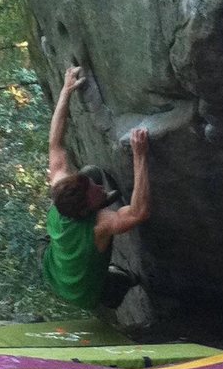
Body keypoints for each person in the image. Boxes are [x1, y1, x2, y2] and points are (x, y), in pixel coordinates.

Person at [42, 66, 150, 310]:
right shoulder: (100, 225)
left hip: (55, 272)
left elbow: (55, 144)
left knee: (90, 171)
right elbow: (139, 212)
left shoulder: (61, 190)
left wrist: (66, 90)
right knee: (121, 282)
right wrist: (139, 156)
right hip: (84, 292)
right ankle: (117, 287)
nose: (98, 187)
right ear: (87, 211)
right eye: (95, 193)